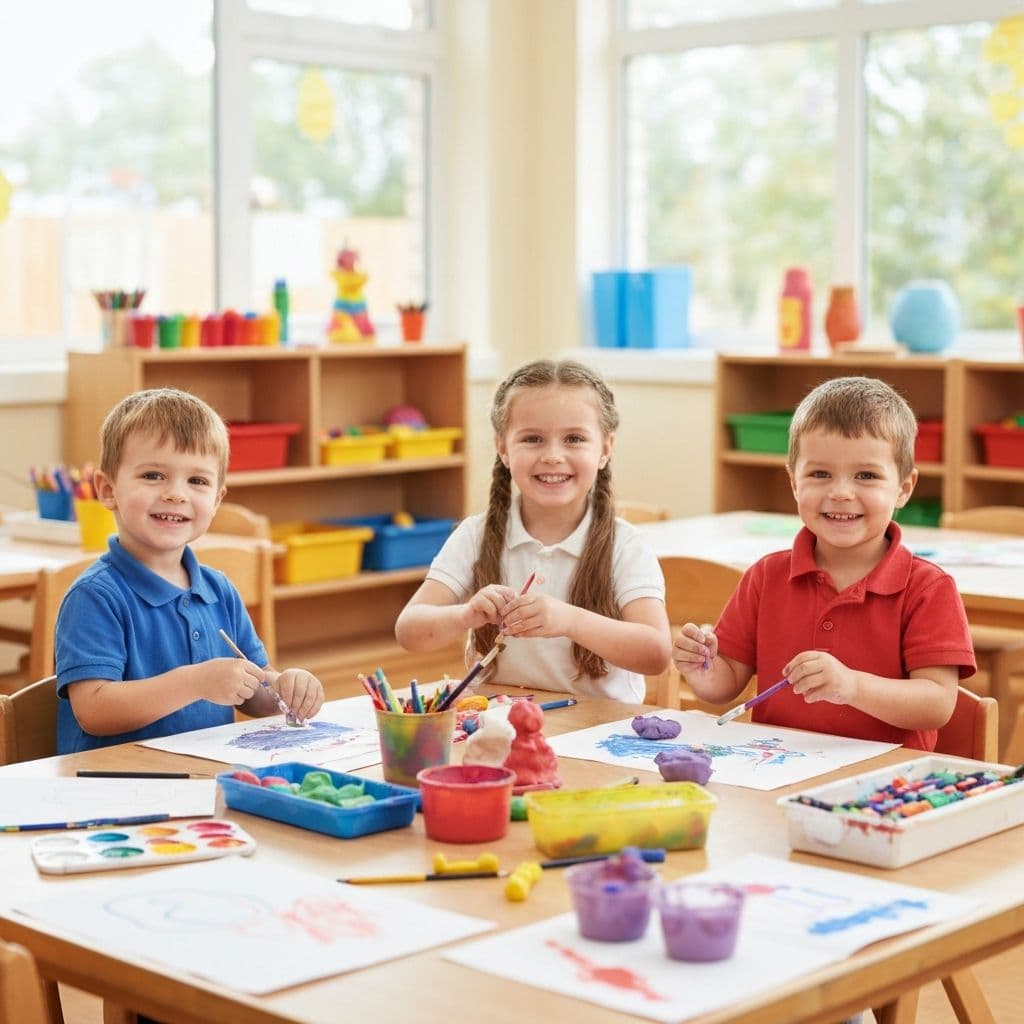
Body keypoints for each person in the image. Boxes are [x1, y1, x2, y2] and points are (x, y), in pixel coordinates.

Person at [673, 376, 975, 750]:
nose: (841, 492)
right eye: (820, 474)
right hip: (774, 766)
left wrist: (852, 686)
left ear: (903, 488)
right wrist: (701, 666)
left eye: (866, 475)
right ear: (794, 482)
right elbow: (726, 682)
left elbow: (937, 704)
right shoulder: (766, 576)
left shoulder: (928, 588)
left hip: (883, 778)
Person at [55, 388, 324, 753]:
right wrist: (196, 682)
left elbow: (253, 694)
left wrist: (284, 688)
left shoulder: (219, 590)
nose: (176, 494)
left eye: (197, 481)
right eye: (153, 475)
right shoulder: (94, 596)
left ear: (216, 499)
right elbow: (94, 711)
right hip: (114, 780)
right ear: (107, 490)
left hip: (203, 772)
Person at [395, 358, 670, 701]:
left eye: (574, 438)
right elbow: (409, 631)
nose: (553, 456)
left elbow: (656, 653)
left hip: (599, 725)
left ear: (605, 449)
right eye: (533, 439)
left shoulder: (625, 544)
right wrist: (465, 615)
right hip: (501, 719)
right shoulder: (476, 534)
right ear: (503, 448)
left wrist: (570, 621)